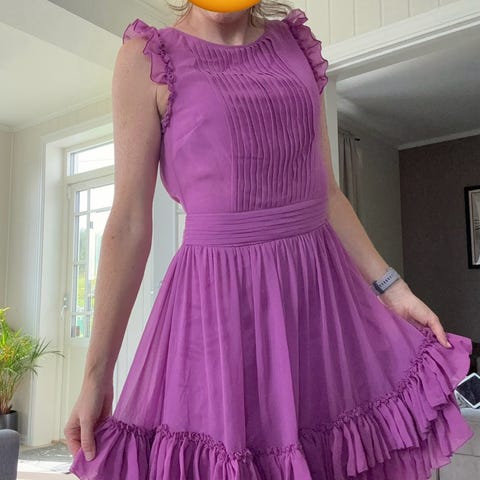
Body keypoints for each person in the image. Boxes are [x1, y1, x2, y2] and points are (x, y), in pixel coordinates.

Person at [65, 2, 475, 479]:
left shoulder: (295, 45)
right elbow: (131, 221)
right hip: (218, 308)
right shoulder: (147, 57)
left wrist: (392, 287)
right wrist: (96, 373)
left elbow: (326, 193)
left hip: (318, 301)